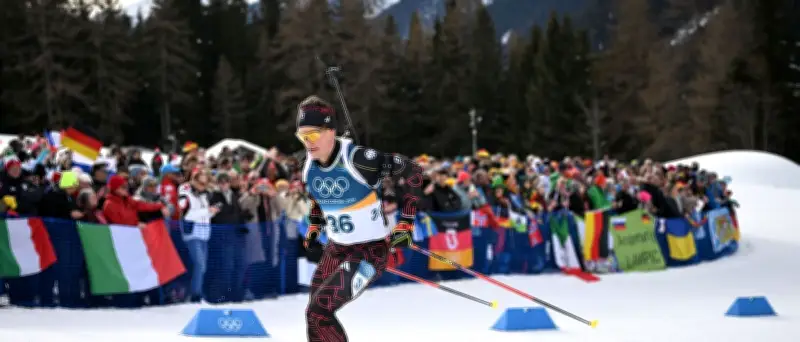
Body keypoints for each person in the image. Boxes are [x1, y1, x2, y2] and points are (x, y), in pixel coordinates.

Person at [296, 95, 423, 342]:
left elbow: (412, 171)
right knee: (314, 312)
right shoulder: (308, 164)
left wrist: (406, 222)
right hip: (336, 250)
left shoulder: (359, 159)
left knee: (319, 312)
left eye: (313, 134)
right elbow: (316, 195)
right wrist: (315, 224)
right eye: (302, 136)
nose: (307, 142)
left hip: (369, 252)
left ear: (330, 131)